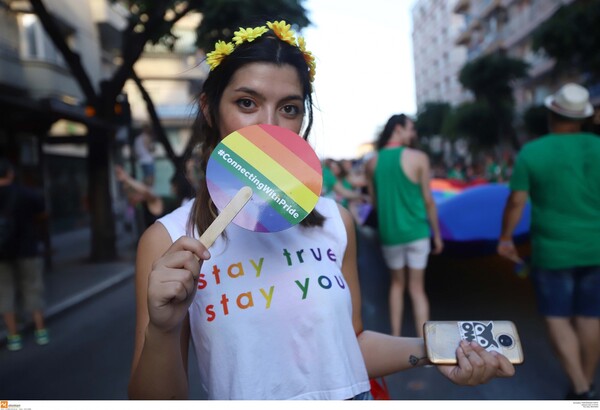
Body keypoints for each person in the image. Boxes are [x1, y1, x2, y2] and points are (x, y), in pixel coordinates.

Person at [128, 20, 515, 400]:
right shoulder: (167, 242)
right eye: (247, 103)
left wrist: (437, 353)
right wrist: (161, 332)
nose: (270, 126)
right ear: (210, 110)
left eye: (290, 108)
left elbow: (351, 345)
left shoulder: (335, 221)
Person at [497, 82, 600, 400]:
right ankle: (587, 381)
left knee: (557, 317)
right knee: (590, 316)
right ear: (582, 117)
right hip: (596, 247)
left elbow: (516, 202)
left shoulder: (533, 151)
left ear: (552, 112)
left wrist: (505, 238)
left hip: (553, 251)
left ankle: (581, 388)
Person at [365, 114, 444, 338]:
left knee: (397, 285)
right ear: (398, 129)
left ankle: (396, 340)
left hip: (390, 235)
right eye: (411, 129)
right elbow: (428, 200)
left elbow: (375, 203)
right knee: (417, 290)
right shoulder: (418, 158)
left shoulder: (372, 162)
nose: (413, 134)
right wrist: (437, 235)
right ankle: (425, 345)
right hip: (417, 232)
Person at [0, 158, 49, 351]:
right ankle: (40, 331)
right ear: (11, 173)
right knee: (33, 288)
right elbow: (43, 215)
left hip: (1, 253)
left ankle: (13, 337)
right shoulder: (27, 194)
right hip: (28, 249)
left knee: (4, 293)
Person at [115, 164, 195, 229]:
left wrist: (126, 178)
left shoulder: (154, 201)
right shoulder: (139, 206)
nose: (130, 197)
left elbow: (147, 192)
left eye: (132, 193)